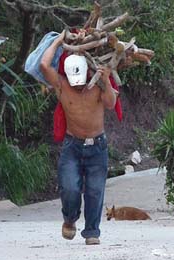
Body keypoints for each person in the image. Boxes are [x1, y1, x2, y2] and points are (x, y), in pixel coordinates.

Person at [40, 30, 117, 245]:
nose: (77, 85)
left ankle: (92, 231)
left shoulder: (98, 84)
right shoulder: (62, 86)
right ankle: (69, 219)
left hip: (97, 146)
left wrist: (107, 82)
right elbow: (44, 66)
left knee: (94, 191)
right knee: (69, 188)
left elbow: (111, 103)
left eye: (79, 81)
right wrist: (57, 42)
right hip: (72, 145)